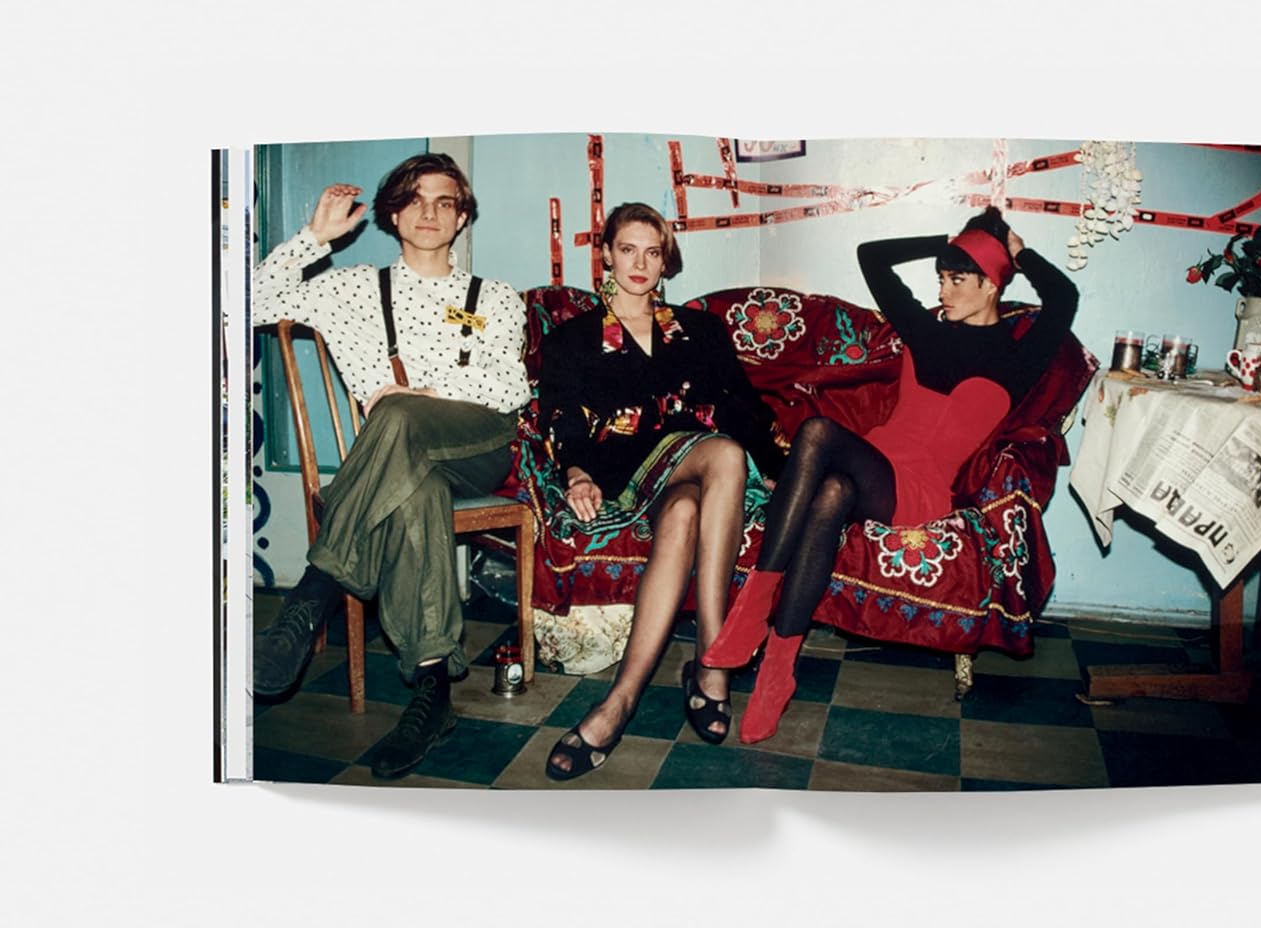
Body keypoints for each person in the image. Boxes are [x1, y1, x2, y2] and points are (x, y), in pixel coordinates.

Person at [702, 206, 1079, 743]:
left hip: (919, 490)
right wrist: (944, 239)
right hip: (871, 466)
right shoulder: (925, 330)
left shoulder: (1019, 358)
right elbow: (871, 258)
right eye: (941, 278)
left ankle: (753, 609)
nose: (943, 290)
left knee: (817, 432)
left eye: (957, 279)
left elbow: (1064, 297)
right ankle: (778, 670)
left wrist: (1017, 251)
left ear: (992, 284)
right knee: (831, 492)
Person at [250, 153, 530, 779]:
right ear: (393, 214)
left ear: (462, 218)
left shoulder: (493, 297)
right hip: (401, 459)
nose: (430, 212)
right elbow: (247, 304)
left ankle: (312, 596)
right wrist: (314, 238)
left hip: (477, 443)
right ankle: (433, 692)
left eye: (445, 202)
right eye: (415, 199)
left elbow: (511, 385)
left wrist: (428, 392)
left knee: (398, 413)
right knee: (415, 490)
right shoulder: (350, 289)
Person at [539, 202, 785, 780]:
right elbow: (560, 415)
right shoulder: (574, 338)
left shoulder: (700, 330)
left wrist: (776, 466)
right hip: (625, 470)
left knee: (684, 515)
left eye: (652, 252)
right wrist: (576, 472)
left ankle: (619, 701)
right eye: (628, 249)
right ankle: (714, 659)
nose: (640, 264)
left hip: (695, 474)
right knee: (724, 453)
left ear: (665, 261)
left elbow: (741, 405)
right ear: (606, 254)